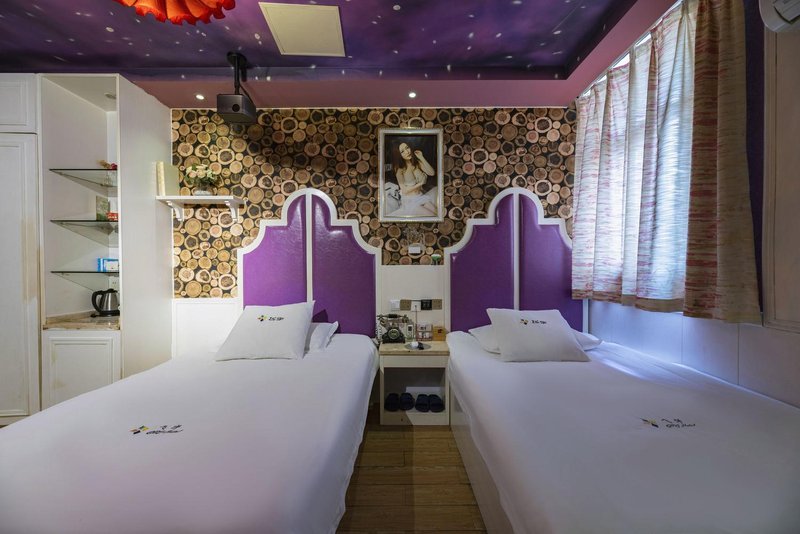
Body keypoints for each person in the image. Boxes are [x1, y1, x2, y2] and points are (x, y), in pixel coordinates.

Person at [385, 140, 438, 217]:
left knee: (438, 214)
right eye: (402, 151)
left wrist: (421, 157)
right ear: (399, 155)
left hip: (420, 197)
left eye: (407, 148)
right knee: (432, 216)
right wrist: (420, 183)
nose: (407, 152)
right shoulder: (400, 170)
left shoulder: (417, 163)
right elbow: (404, 190)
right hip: (409, 202)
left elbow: (432, 173)